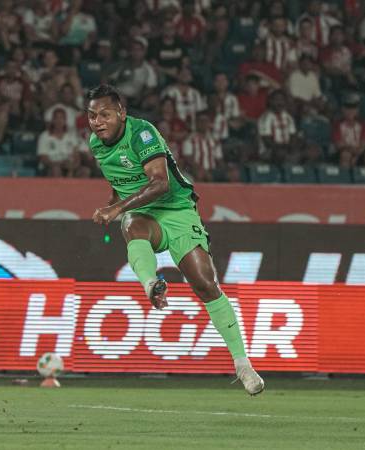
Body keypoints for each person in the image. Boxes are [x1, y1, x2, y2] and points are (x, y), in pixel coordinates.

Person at [85, 84, 263, 395]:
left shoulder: (141, 133)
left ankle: (242, 364)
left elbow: (161, 184)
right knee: (132, 227)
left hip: (176, 209)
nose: (97, 121)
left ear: (121, 113)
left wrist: (114, 208)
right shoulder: (96, 143)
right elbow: (119, 181)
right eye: (91, 116)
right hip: (143, 214)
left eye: (104, 114)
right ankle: (151, 284)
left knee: (205, 284)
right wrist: (116, 203)